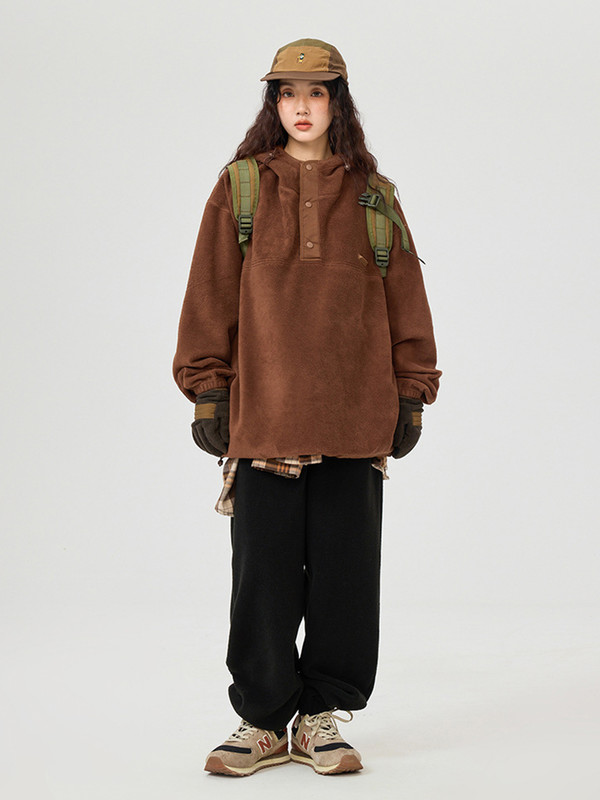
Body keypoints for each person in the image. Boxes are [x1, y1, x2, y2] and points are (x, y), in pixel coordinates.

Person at [172, 37, 441, 777]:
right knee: (262, 579)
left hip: (356, 419)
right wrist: (208, 388)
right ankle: (262, 720)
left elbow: (407, 300)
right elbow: (208, 295)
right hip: (266, 421)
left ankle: (322, 716)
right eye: (288, 93)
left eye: (316, 92)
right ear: (273, 103)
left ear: (337, 103)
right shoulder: (241, 188)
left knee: (347, 578)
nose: (301, 106)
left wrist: (412, 392)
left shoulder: (374, 196)